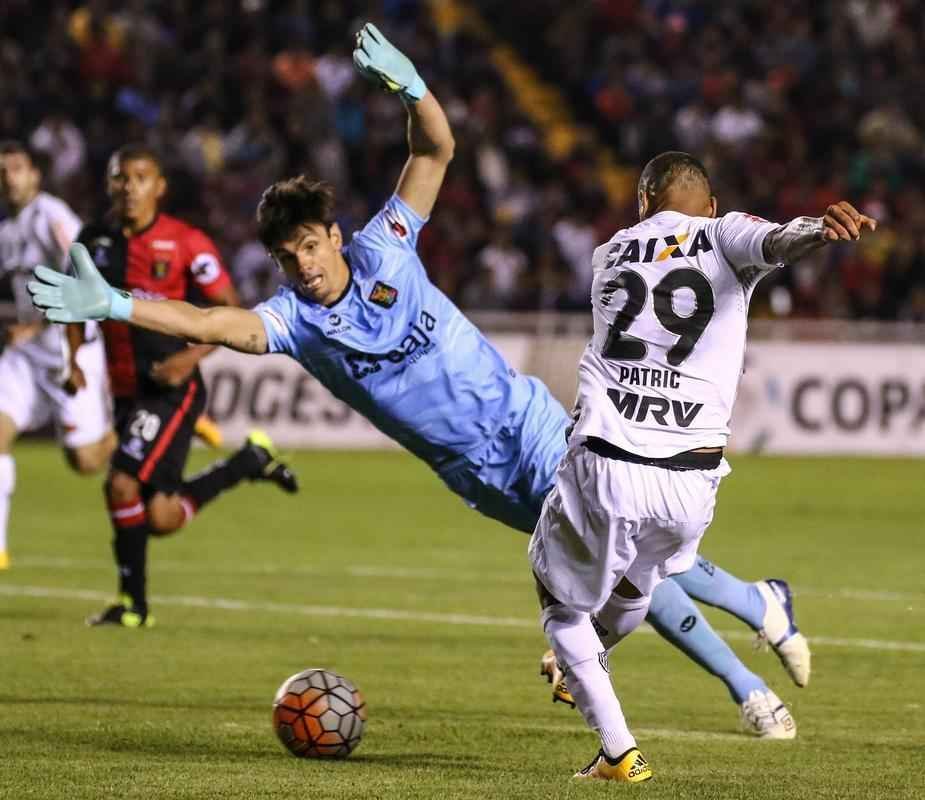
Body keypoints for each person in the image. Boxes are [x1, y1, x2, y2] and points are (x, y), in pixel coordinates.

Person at [31, 23, 805, 732]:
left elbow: (434, 151)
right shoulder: (292, 322)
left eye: (311, 246)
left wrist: (412, 89)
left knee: (622, 565)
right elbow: (207, 323)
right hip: (476, 475)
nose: (304, 265)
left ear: (334, 236)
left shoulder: (386, 245)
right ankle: (760, 607)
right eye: (289, 258)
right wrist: (116, 304)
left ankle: (748, 690)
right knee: (630, 562)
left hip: (529, 427)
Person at [530, 153, 875, 781]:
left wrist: (804, 233)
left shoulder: (608, 253)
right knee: (638, 583)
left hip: (609, 458)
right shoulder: (724, 232)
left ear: (643, 202)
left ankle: (617, 749)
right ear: (711, 205)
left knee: (561, 609)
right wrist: (818, 230)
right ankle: (593, 663)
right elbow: (775, 240)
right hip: (692, 481)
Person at [62, 143, 299, 627]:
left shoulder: (186, 242)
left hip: (173, 390)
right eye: (120, 177)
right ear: (109, 183)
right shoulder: (92, 240)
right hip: (126, 391)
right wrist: (73, 358)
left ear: (160, 186)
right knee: (161, 517)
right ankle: (247, 463)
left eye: (140, 178)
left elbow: (230, 308)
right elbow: (71, 302)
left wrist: (187, 359)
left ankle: (133, 606)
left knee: (121, 483)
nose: (129, 187)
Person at [0, 139, 115, 570]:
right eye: (2, 170)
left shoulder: (52, 216)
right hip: (26, 357)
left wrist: (34, 325)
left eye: (16, 168)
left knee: (85, 461)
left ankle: (133, 416)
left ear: (35, 174)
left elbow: (86, 275)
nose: (8, 177)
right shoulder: (6, 230)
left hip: (70, 352)